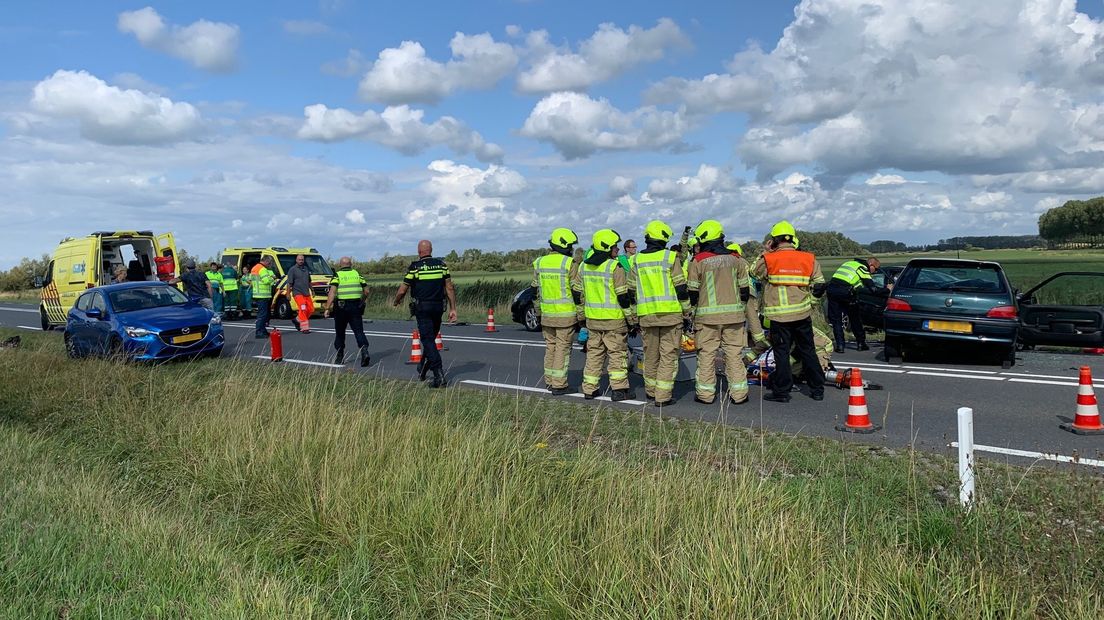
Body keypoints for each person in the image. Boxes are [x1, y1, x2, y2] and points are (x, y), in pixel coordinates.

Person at [752, 221, 827, 403]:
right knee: (808, 351)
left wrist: (766, 251)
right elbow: (820, 285)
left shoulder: (769, 259)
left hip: (779, 317)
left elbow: (753, 272)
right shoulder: (808, 258)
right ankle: (817, 389)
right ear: (793, 238)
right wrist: (812, 303)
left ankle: (782, 392)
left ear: (774, 240)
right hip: (802, 314)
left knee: (782, 354)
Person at [688, 220, 751, 405]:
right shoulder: (736, 259)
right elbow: (745, 291)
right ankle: (739, 395)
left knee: (706, 355)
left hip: (707, 319)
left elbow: (692, 292)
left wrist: (692, 312)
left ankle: (706, 396)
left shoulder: (697, 261)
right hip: (735, 317)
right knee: (734, 355)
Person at [627, 220, 689, 406]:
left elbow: (631, 291)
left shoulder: (636, 259)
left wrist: (634, 316)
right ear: (663, 239)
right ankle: (662, 396)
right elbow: (680, 287)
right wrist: (686, 312)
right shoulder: (670, 257)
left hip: (646, 317)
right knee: (668, 356)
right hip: (670, 315)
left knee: (651, 355)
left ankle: (651, 392)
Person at [573, 229, 634, 401]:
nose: (617, 249)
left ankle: (589, 389)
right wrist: (631, 319)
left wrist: (581, 316)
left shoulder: (584, 266)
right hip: (613, 320)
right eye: (615, 246)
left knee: (594, 355)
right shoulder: (615, 266)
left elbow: (577, 293)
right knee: (617, 355)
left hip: (593, 320)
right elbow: (623, 296)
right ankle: (619, 390)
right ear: (608, 248)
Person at [392, 240, 458, 388]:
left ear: (419, 251)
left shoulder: (415, 268)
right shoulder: (442, 265)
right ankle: (422, 366)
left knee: (427, 340)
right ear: (431, 250)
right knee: (431, 339)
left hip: (422, 308)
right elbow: (450, 288)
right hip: (438, 307)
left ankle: (438, 374)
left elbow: (403, 290)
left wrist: (396, 301)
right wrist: (453, 308)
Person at [531, 228, 582, 395]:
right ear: (564, 246)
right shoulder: (569, 263)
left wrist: (538, 313)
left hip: (547, 315)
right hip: (565, 315)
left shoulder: (539, 262)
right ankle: (559, 384)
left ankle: (549, 380)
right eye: (571, 246)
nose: (572, 250)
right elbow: (576, 291)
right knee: (562, 349)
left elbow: (535, 291)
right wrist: (581, 314)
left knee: (550, 348)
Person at [826, 257, 890, 353]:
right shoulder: (863, 268)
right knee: (855, 318)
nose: (875, 272)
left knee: (836, 320)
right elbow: (874, 290)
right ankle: (861, 343)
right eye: (875, 269)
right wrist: (888, 290)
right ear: (871, 265)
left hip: (831, 290)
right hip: (846, 292)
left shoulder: (849, 263)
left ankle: (840, 346)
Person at [323, 256, 371, 366]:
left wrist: (327, 308)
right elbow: (367, 291)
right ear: (351, 264)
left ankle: (340, 356)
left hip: (341, 307)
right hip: (355, 307)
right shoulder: (357, 274)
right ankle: (364, 352)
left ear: (340, 265)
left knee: (340, 332)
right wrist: (361, 301)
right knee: (359, 331)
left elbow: (332, 292)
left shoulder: (337, 275)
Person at [285, 254, 314, 333]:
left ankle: (297, 320)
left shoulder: (306, 269)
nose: (301, 261)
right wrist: (288, 294)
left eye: (302, 260)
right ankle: (305, 328)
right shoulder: (292, 270)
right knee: (303, 309)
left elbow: (309, 281)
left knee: (311, 309)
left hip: (306, 293)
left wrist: (312, 290)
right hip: (297, 293)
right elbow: (289, 283)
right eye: (299, 260)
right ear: (296, 260)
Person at [252, 256, 277, 338]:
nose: (269, 265)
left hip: (257, 293)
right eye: (269, 263)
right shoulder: (262, 269)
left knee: (262, 314)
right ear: (266, 261)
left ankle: (263, 330)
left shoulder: (255, 268)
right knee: (262, 315)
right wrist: (272, 279)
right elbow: (266, 281)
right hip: (263, 294)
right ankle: (259, 332)